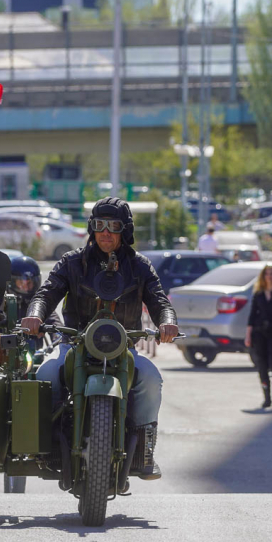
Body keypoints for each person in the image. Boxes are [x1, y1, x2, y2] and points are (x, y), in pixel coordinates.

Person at [22, 197, 178, 481]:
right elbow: (46, 293)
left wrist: (167, 322)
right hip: (74, 344)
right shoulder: (71, 262)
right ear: (92, 228)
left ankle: (144, 451)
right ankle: (46, 446)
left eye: (113, 226)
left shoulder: (141, 267)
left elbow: (159, 301)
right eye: (99, 225)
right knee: (45, 375)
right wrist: (35, 314)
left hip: (123, 349)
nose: (105, 232)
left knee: (151, 379)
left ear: (125, 231)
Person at [244, 265, 272, 409]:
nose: (269, 276)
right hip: (259, 333)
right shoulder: (258, 294)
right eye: (267, 274)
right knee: (262, 365)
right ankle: (267, 398)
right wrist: (248, 335)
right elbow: (252, 316)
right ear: (263, 277)